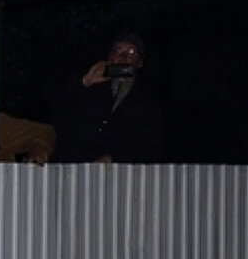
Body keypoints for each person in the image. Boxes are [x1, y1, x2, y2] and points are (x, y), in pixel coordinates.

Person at [51, 32, 164, 163]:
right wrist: (84, 82)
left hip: (120, 175)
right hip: (76, 169)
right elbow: (51, 103)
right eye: (118, 51)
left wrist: (114, 158)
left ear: (140, 62)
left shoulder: (148, 100)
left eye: (131, 52)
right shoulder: (91, 85)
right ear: (109, 58)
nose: (123, 56)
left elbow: (151, 147)